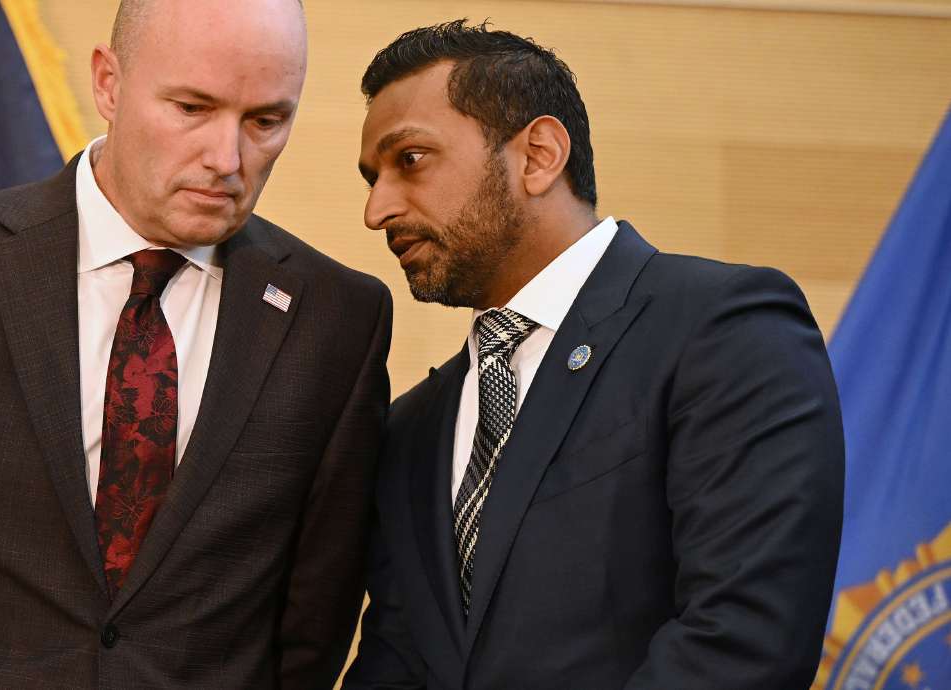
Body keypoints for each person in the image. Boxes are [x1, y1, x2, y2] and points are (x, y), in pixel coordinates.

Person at [0, 1, 391, 687]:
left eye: (265, 120)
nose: (226, 158)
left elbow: (312, 624)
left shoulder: (336, 321)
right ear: (109, 84)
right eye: (191, 108)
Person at [344, 20, 842, 690]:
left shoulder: (722, 327)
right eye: (372, 177)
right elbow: (397, 661)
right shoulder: (411, 428)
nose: (377, 210)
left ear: (539, 155)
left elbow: (744, 641)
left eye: (409, 160)